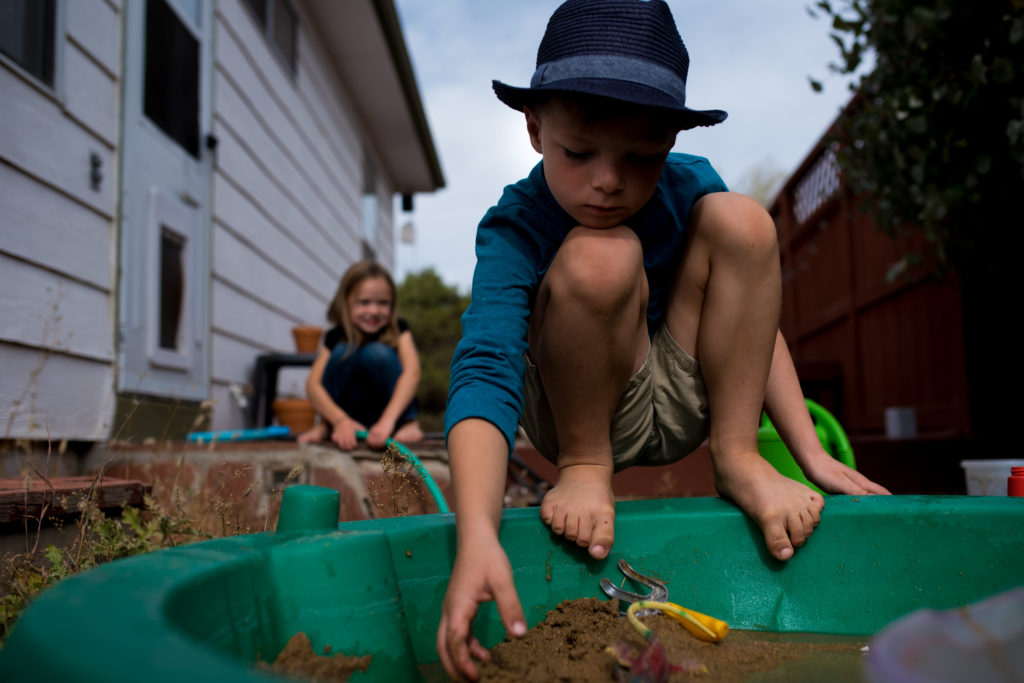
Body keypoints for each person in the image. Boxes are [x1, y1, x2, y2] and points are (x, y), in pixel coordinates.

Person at [436, 1, 890, 679]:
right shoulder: (515, 225)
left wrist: (809, 452)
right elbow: (485, 368)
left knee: (744, 222)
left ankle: (736, 458)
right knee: (602, 253)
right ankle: (590, 467)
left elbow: (753, 322)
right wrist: (477, 531)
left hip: (682, 394)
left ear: (670, 143)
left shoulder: (690, 189)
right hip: (574, 414)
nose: (609, 179)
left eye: (641, 157)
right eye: (579, 152)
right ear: (534, 128)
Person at [297, 261, 424, 450]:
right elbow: (313, 385)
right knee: (342, 352)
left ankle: (408, 422)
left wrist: (387, 421)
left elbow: (412, 374)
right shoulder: (336, 337)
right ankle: (327, 424)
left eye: (383, 303)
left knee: (376, 353)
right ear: (346, 302)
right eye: (364, 302)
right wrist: (339, 420)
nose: (373, 311)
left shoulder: (399, 329)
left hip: (390, 418)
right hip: (346, 418)